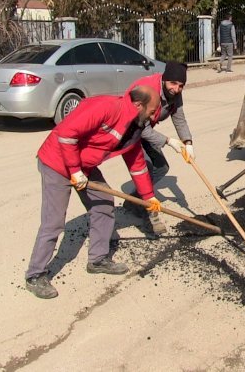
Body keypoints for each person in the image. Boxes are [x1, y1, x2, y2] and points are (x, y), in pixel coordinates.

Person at [24, 85, 161, 299]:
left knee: (105, 204)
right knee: (54, 221)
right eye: (152, 111)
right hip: (57, 163)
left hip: (83, 166)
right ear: (138, 105)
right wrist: (75, 171)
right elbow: (66, 134)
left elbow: (137, 165)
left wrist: (148, 196)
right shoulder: (106, 107)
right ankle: (35, 275)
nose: (154, 117)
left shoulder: (132, 128)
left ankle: (97, 260)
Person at [121, 62, 195, 236]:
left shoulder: (176, 93)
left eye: (180, 85)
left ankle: (134, 201)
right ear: (164, 79)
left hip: (146, 129)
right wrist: (169, 141)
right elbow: (142, 128)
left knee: (162, 167)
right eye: (173, 84)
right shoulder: (147, 90)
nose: (176, 89)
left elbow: (179, 117)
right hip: (130, 129)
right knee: (146, 167)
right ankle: (150, 214)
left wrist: (188, 142)